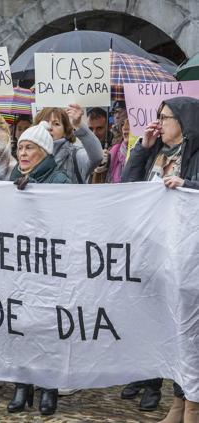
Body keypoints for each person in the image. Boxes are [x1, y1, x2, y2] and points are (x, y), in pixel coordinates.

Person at [121, 98, 199, 421]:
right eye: (158, 116)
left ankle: (194, 404)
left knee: (189, 332)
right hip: (157, 254)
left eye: (165, 117)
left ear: (184, 122)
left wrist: (187, 186)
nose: (159, 122)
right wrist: (143, 147)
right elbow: (128, 185)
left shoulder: (195, 157)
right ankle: (179, 401)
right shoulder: (157, 152)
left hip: (188, 257)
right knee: (170, 330)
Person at [7, 121, 69, 415]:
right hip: (17, 266)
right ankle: (22, 384)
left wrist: (34, 194)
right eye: (20, 147)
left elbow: (63, 224)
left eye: (29, 147)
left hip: (46, 268)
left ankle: (47, 386)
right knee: (18, 326)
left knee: (44, 327)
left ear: (44, 151)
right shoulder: (11, 177)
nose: (23, 153)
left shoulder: (60, 181)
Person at [35, 105, 104, 184]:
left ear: (65, 131)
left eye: (56, 124)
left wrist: (78, 125)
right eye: (45, 123)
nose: (49, 127)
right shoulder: (28, 154)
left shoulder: (75, 155)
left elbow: (97, 157)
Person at [105, 118, 130, 183]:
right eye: (122, 124)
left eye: (130, 124)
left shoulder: (148, 151)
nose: (125, 128)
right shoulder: (114, 151)